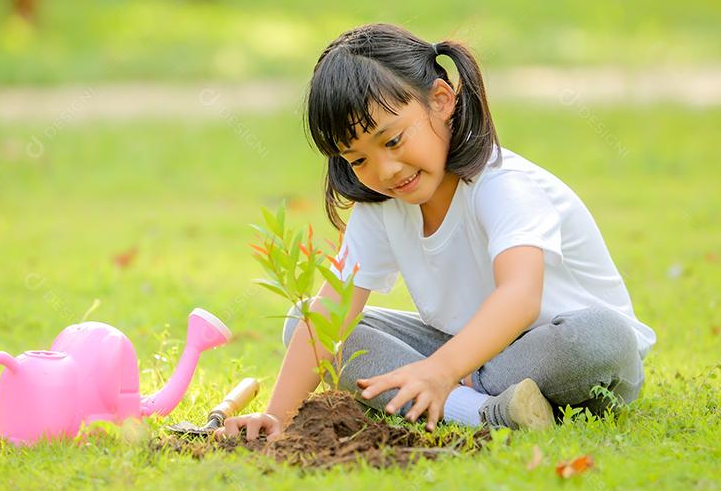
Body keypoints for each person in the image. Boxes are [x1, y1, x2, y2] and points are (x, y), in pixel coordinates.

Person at [220, 23, 655, 441]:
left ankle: (454, 397)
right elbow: (331, 313)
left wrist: (441, 370)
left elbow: (521, 297)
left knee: (601, 337)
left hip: (564, 356)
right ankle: (483, 412)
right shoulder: (381, 205)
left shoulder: (502, 184)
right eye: (357, 160)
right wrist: (277, 415)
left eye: (392, 141)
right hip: (463, 353)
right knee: (306, 321)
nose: (385, 170)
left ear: (442, 100)